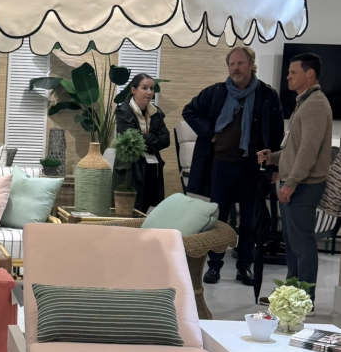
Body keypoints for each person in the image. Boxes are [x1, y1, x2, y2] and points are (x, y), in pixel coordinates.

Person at [182, 47, 283, 286]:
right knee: (218, 218)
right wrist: (211, 134)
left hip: (252, 167)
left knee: (249, 220)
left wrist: (276, 164)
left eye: (240, 63)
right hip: (221, 165)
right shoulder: (216, 92)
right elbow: (189, 111)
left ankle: (244, 266)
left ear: (251, 65)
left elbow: (276, 130)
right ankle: (214, 266)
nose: (236, 68)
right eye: (232, 64)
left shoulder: (267, 94)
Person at [257, 53, 332, 294]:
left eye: (293, 72)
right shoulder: (305, 101)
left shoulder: (315, 104)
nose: (287, 77)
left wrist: (291, 183)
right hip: (296, 182)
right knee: (292, 243)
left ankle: (304, 299)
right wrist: (273, 157)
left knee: (301, 244)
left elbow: (308, 152)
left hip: (303, 185)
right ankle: (290, 295)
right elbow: (295, 147)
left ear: (309, 74)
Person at [112, 73, 169, 211]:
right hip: (130, 166)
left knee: (151, 208)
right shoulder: (123, 111)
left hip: (152, 165)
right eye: (144, 88)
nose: (149, 92)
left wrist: (145, 137)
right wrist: (154, 137)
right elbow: (132, 138)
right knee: (130, 209)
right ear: (133, 90)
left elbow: (166, 139)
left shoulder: (156, 113)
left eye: (151, 88)